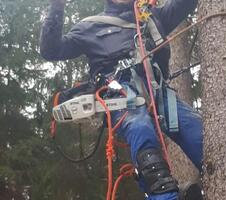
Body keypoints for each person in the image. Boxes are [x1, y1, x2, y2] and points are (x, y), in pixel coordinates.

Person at [40, 0, 203, 199]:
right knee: (139, 126)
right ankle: (164, 196)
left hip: (157, 91)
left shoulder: (151, 17)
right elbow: (51, 50)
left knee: (196, 130)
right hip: (119, 94)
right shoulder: (91, 26)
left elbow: (185, 4)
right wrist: (57, 6)